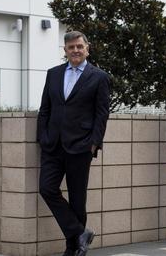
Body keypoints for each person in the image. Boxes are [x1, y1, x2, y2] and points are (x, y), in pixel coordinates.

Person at [37, 31, 110, 256]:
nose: (75, 50)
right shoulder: (54, 74)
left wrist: (94, 143)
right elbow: (45, 109)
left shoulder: (99, 77)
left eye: (79, 46)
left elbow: (102, 113)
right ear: (65, 50)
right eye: (71, 47)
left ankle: (73, 248)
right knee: (47, 189)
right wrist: (43, 137)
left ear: (87, 48)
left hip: (81, 146)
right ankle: (80, 233)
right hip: (53, 145)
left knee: (78, 199)